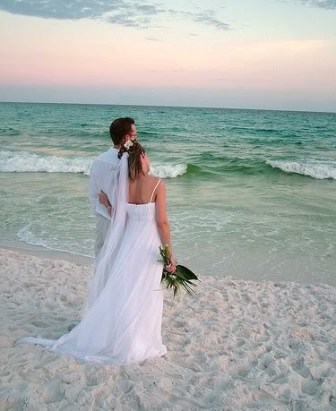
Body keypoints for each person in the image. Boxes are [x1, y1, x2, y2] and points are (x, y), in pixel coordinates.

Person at [18, 141, 176, 366]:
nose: (149, 160)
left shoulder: (124, 186)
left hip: (128, 245)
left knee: (126, 291)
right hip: (148, 246)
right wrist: (169, 253)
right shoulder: (157, 183)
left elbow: (122, 218)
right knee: (146, 292)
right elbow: (162, 222)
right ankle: (139, 341)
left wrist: (108, 204)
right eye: (147, 155)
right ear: (140, 157)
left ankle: (120, 336)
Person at [89, 117, 137, 256]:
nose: (137, 138)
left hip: (102, 218)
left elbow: (93, 194)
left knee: (101, 259)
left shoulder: (98, 160)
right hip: (122, 223)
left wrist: (100, 213)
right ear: (126, 138)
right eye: (135, 135)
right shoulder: (129, 163)